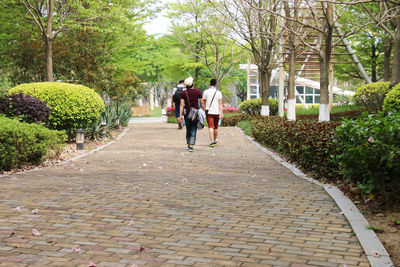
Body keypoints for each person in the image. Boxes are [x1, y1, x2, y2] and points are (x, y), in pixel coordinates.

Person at [179, 77, 205, 152]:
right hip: (195, 114)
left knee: (188, 129)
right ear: (192, 84)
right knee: (194, 128)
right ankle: (191, 145)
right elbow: (202, 102)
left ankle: (188, 143)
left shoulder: (183, 93)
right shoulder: (197, 91)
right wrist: (204, 110)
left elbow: (181, 104)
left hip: (187, 113)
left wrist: (181, 115)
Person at [202, 78, 223, 147]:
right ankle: (215, 139)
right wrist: (221, 112)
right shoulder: (219, 93)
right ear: (215, 84)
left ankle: (212, 141)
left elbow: (203, 102)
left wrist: (204, 109)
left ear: (209, 84)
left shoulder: (205, 92)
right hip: (216, 112)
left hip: (209, 112)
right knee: (216, 127)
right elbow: (220, 104)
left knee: (210, 127)